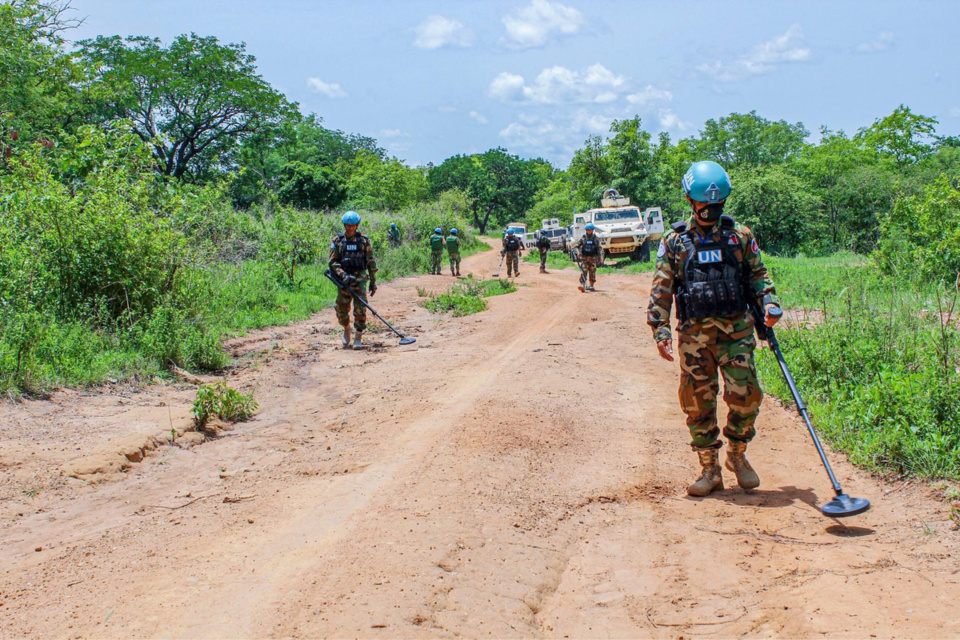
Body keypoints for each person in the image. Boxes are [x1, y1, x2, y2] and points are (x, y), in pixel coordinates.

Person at [646, 160, 781, 496]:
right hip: (694, 338)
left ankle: (737, 454)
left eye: (717, 205)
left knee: (747, 397)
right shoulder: (675, 241)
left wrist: (770, 303)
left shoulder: (739, 236)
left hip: (736, 332)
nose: (711, 210)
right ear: (692, 201)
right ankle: (709, 468)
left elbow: (758, 275)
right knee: (697, 403)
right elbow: (662, 286)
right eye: (705, 205)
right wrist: (660, 330)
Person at [329, 211, 378, 350]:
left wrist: (373, 282)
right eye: (348, 225)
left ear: (357, 225)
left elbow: (370, 262)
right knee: (341, 309)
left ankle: (358, 336)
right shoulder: (337, 241)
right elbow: (332, 262)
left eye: (353, 225)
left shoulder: (363, 240)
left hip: (360, 279)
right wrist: (342, 274)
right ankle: (346, 329)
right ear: (344, 225)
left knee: (361, 309)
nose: (350, 228)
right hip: (344, 280)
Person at [575, 223, 601, 291]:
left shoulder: (596, 239)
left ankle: (591, 286)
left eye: (590, 230)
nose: (589, 231)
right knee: (584, 271)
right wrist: (578, 253)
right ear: (586, 230)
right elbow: (576, 246)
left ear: (592, 230)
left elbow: (600, 248)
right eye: (588, 230)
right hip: (584, 258)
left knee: (592, 272)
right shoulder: (583, 238)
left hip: (593, 258)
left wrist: (600, 257)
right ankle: (582, 285)